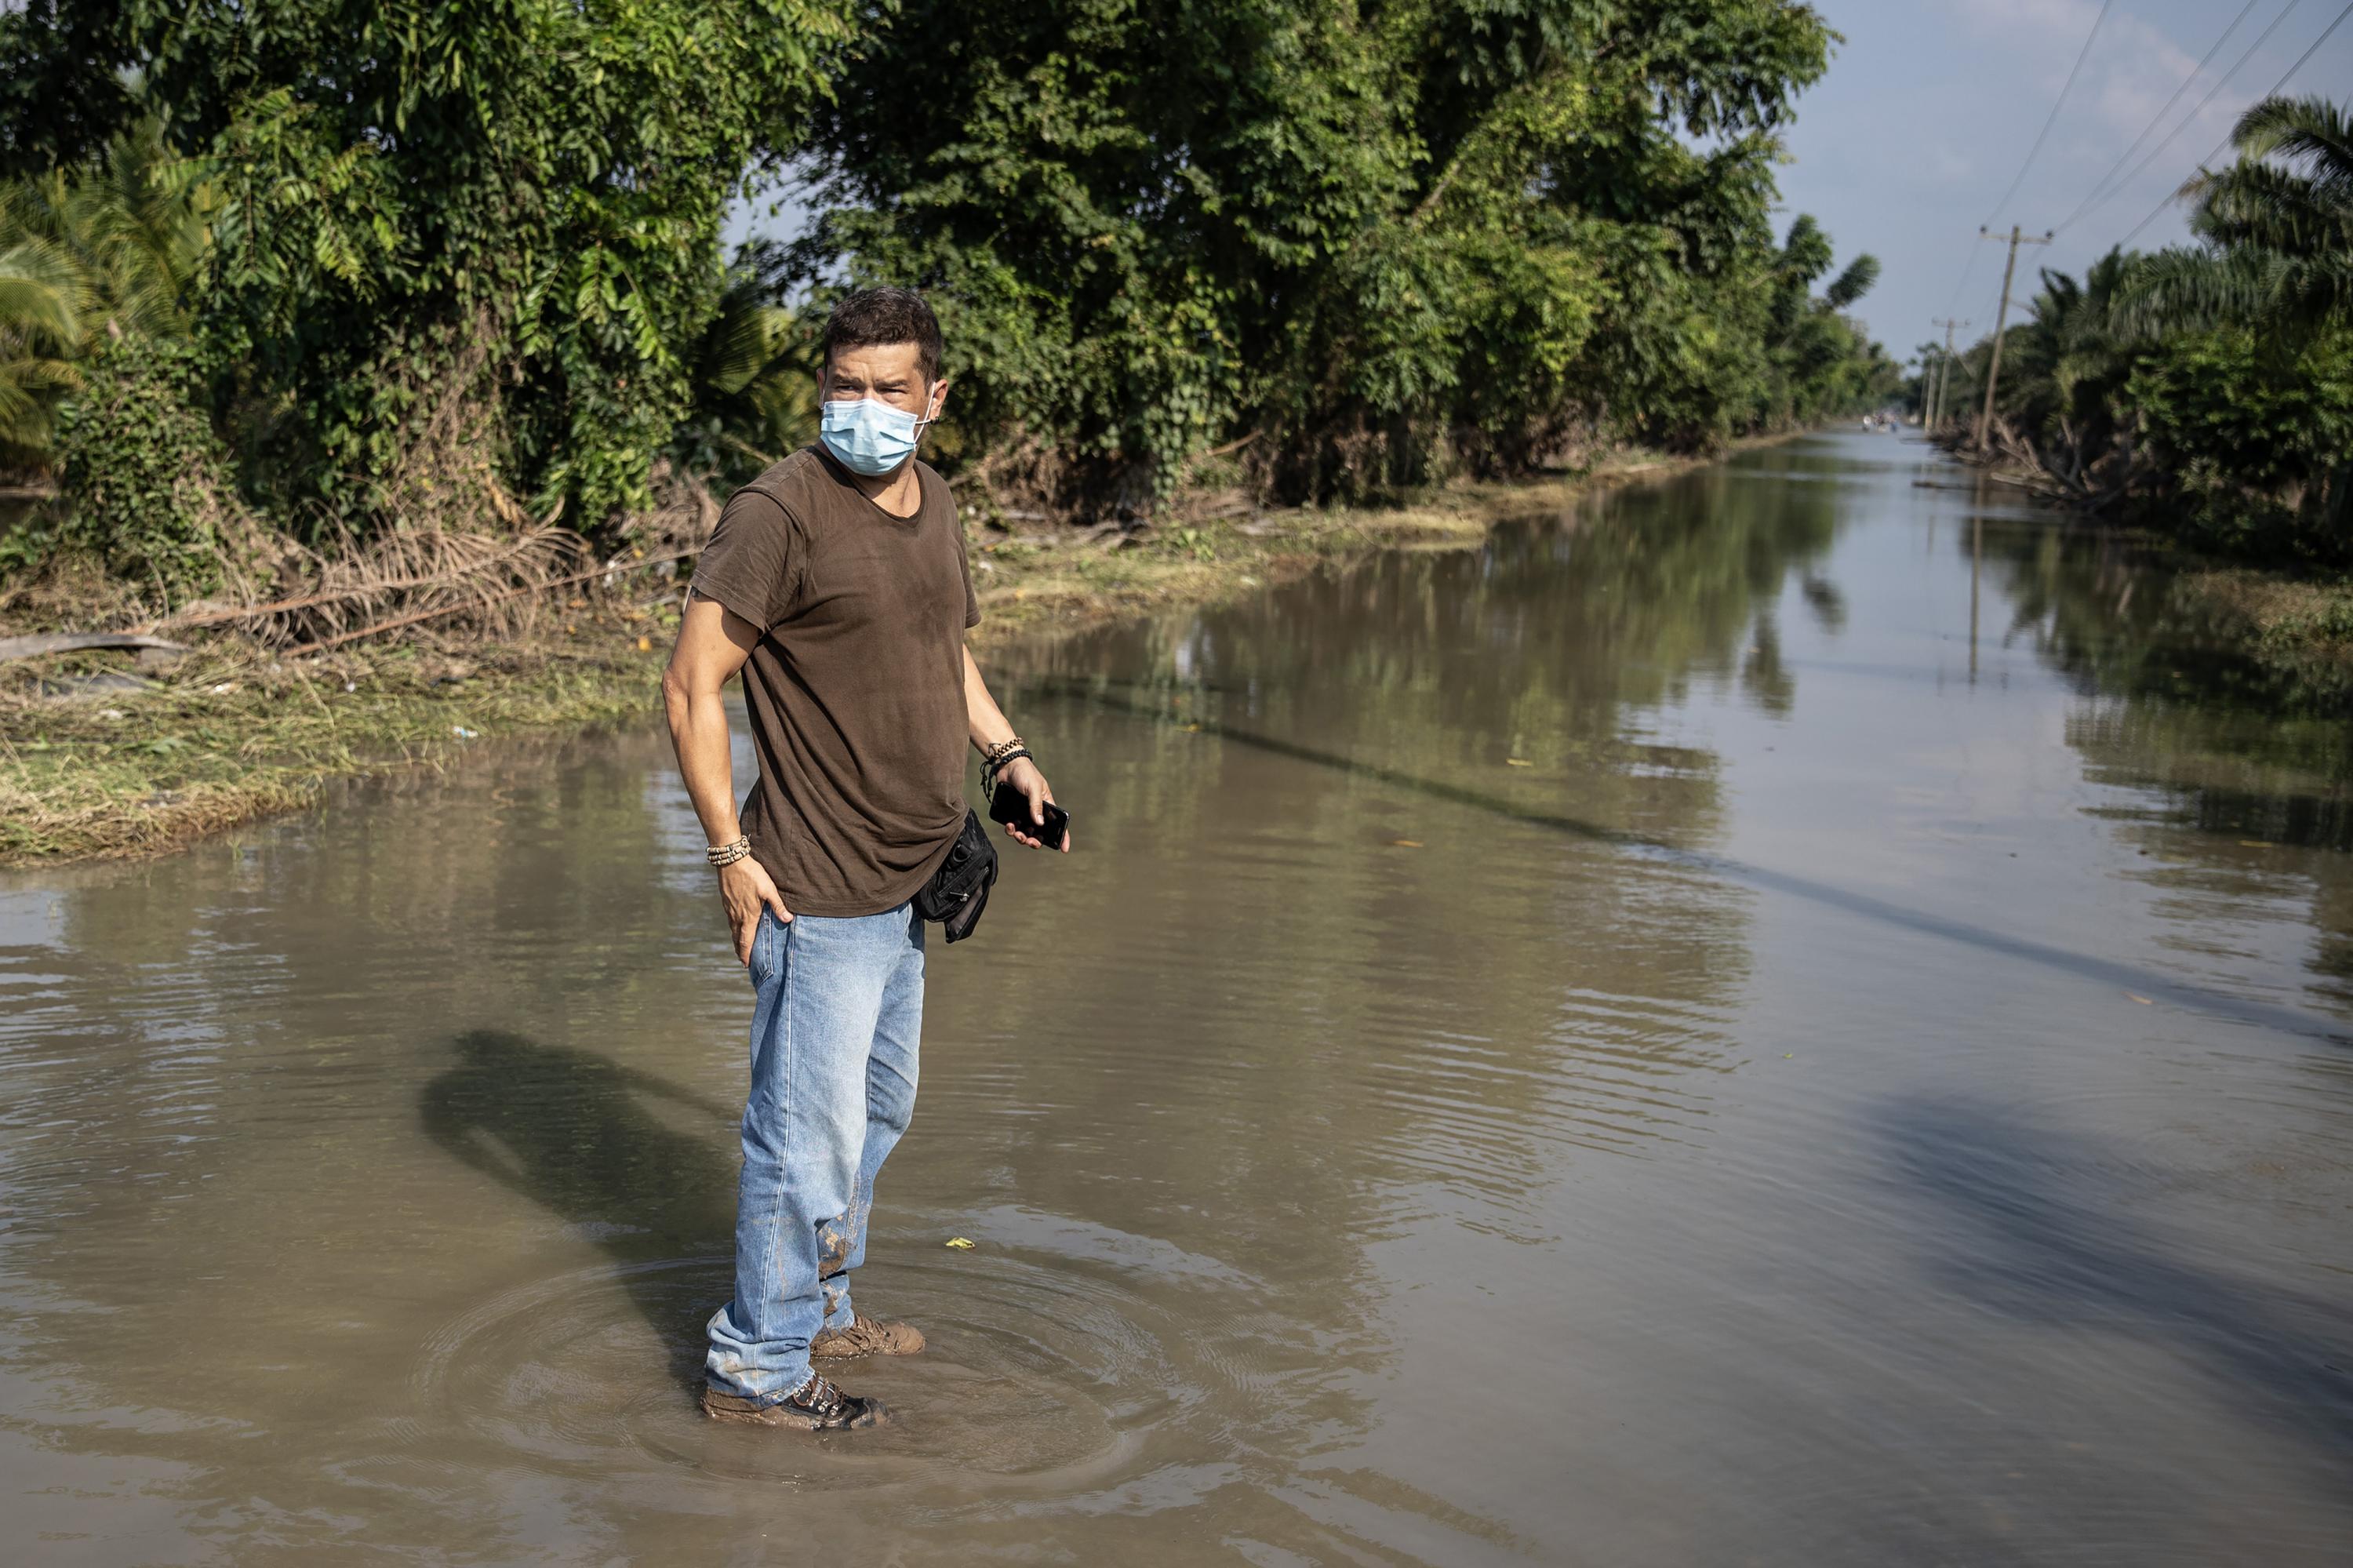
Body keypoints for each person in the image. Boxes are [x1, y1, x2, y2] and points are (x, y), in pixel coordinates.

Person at [661, 286, 1067, 1431]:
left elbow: (948, 655)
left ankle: (822, 1305)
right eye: (846, 386)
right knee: (802, 1134)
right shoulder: (776, 514)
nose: (866, 408)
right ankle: (757, 1370)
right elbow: (691, 687)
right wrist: (730, 853)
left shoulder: (934, 502)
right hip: (814, 881)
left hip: (911, 874)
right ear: (823, 388)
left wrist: (1010, 755)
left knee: (876, 1111)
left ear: (938, 397)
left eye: (892, 389)